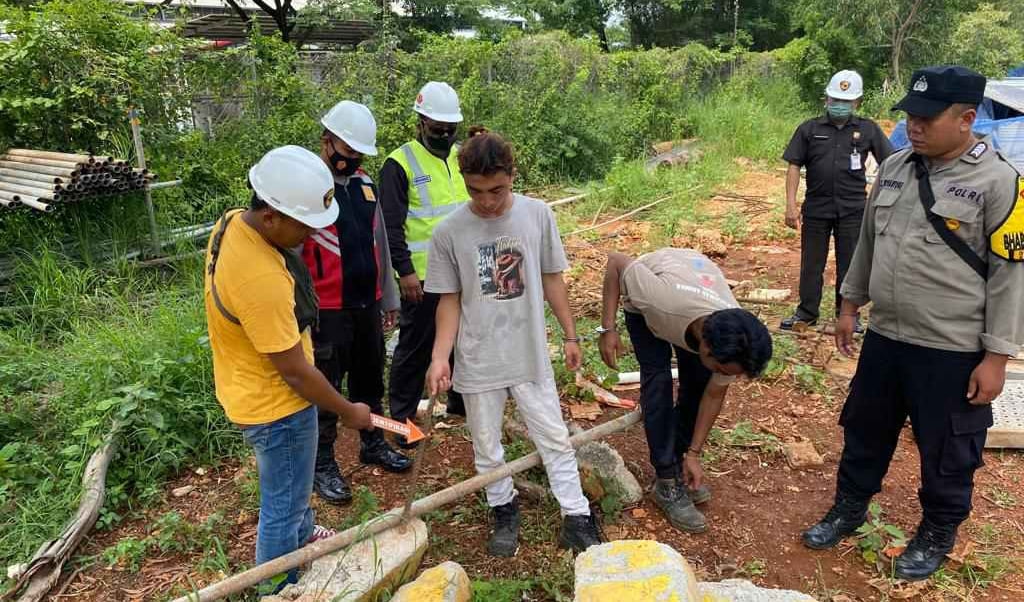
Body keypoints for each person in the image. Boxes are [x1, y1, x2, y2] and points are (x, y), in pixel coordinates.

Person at [801, 66, 1024, 581]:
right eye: (910, 116)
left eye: (926, 117)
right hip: (887, 336)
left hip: (951, 347)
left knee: (948, 448)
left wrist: (996, 358)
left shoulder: (999, 182)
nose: (914, 126)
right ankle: (849, 507)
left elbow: (1011, 278)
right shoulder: (897, 167)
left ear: (967, 119)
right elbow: (869, 246)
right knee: (864, 427)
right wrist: (849, 304)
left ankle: (938, 530)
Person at [425, 128, 602, 557]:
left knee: (554, 435)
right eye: (476, 191)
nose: (487, 201)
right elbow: (449, 300)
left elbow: (552, 278)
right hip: (478, 357)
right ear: (464, 180)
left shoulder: (536, 215)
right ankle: (503, 507)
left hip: (528, 352)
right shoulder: (448, 232)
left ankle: (576, 516)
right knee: (486, 444)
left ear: (513, 176)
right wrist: (439, 357)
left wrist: (571, 333)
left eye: (498, 190)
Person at [203, 146, 372, 587]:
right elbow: (295, 372)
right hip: (278, 407)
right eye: (305, 225)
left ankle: (300, 535)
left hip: (248, 387)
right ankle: (279, 585)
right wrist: (348, 411)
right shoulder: (261, 279)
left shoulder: (234, 221)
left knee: (292, 490)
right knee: (282, 503)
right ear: (272, 216)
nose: (311, 236)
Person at [598, 249, 773, 533]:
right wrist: (607, 330)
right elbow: (616, 260)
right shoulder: (658, 300)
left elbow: (714, 395)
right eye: (726, 371)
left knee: (700, 385)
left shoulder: (736, 338)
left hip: (693, 283)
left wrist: (693, 453)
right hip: (649, 300)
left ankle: (679, 461)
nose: (728, 377)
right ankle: (666, 481)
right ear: (705, 347)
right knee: (658, 381)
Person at [300, 101, 412, 506]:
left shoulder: (365, 186)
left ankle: (373, 441)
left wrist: (389, 298)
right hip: (326, 310)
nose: (352, 160)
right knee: (328, 387)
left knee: (369, 378)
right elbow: (294, 257)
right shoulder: (307, 188)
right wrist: (302, 312)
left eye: (359, 154)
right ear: (326, 141)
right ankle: (322, 462)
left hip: (367, 304)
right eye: (347, 152)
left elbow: (378, 242)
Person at [381, 81, 469, 441]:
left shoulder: (461, 156)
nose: (444, 135)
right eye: (437, 129)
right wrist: (405, 272)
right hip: (422, 276)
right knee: (415, 348)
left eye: (450, 129)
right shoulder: (399, 164)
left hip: (462, 272)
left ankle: (461, 406)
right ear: (420, 122)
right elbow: (390, 225)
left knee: (466, 340)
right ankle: (402, 423)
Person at [781, 70, 893, 332]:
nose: (839, 105)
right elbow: (794, 166)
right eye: (835, 99)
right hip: (816, 209)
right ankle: (806, 313)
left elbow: (891, 163)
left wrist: (881, 200)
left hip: (853, 210)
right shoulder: (809, 129)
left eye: (846, 101)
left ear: (857, 103)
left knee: (851, 265)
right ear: (826, 99)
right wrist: (790, 204)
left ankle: (848, 316)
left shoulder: (867, 129)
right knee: (811, 264)